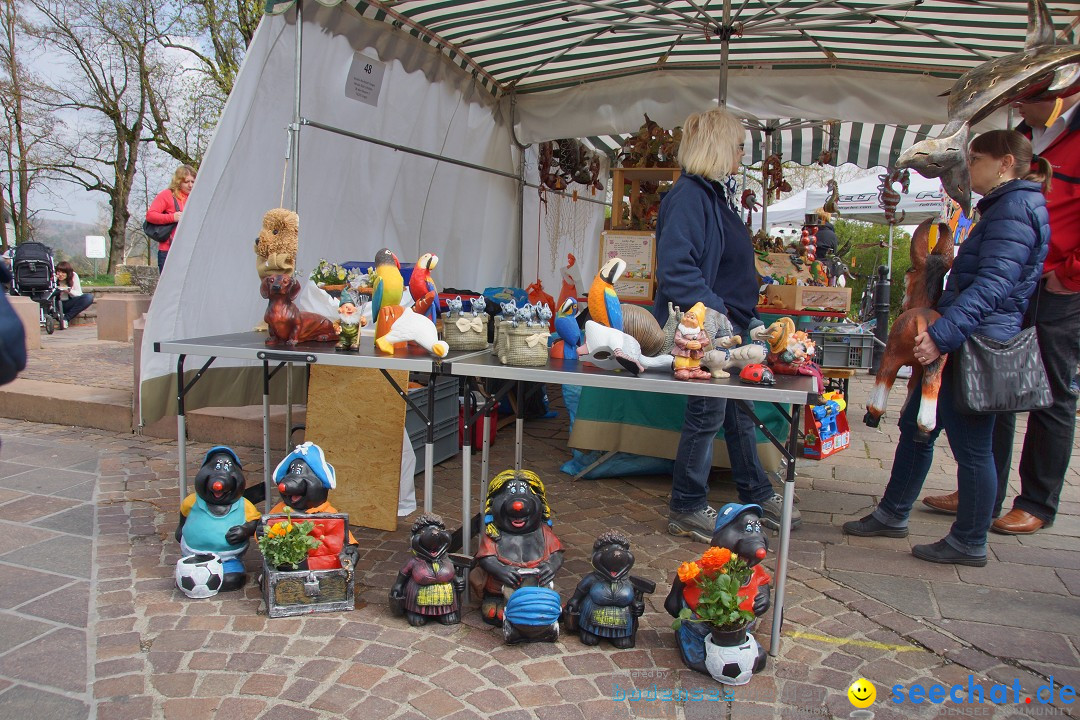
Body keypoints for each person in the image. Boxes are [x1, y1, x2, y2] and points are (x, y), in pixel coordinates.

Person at [843, 129, 1051, 566]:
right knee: (917, 426)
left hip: (973, 339)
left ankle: (969, 539)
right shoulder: (1007, 207)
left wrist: (942, 334)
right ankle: (893, 512)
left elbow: (993, 285)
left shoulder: (1013, 209)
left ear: (1005, 162)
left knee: (973, 446)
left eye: (975, 159)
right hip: (964, 334)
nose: (968, 167)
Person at [923, 95, 1080, 535]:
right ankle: (982, 491)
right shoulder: (1027, 137)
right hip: (1022, 279)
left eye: (1027, 91)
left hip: (1058, 285)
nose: (1016, 99)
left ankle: (1036, 501)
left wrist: (1070, 275)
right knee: (997, 387)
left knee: (1051, 393)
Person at [653, 107, 801, 541]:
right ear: (717, 145)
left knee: (737, 411)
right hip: (706, 330)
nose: (742, 153)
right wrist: (721, 319)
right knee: (708, 413)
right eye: (738, 145)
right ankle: (686, 504)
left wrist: (745, 318)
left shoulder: (710, 194)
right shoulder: (689, 197)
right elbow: (678, 272)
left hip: (726, 322)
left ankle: (755, 489)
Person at [146, 165, 195, 272]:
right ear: (178, 181)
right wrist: (172, 217)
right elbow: (150, 215)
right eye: (187, 182)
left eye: (193, 182)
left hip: (189, 250)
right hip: (168, 251)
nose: (190, 185)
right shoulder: (167, 195)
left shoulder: (195, 197)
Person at [54, 261, 93, 328]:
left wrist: (69, 290)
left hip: (68, 302)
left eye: (63, 272)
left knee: (88, 297)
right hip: (55, 304)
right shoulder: (53, 277)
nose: (60, 274)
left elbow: (79, 293)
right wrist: (55, 280)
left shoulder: (73, 276)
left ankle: (65, 319)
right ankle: (59, 316)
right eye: (58, 272)